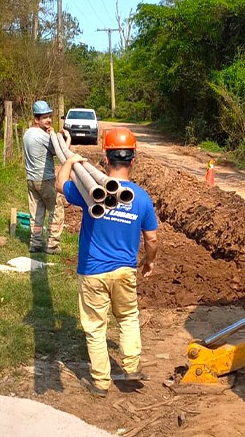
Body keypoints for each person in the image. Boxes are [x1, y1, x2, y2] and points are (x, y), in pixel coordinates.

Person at [54, 127, 159, 398]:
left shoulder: (91, 190)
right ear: (133, 160)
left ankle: (101, 383)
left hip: (92, 271)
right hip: (125, 271)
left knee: (95, 328)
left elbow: (59, 183)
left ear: (106, 158)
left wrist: (70, 160)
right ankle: (131, 367)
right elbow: (152, 238)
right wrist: (149, 262)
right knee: (127, 318)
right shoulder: (142, 198)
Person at [23, 100, 71, 254]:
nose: (48, 120)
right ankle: (52, 245)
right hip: (45, 180)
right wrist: (67, 138)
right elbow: (61, 152)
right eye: (44, 117)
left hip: (31, 179)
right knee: (56, 210)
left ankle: (35, 243)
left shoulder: (27, 133)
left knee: (36, 213)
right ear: (37, 119)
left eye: (49, 116)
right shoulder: (42, 136)